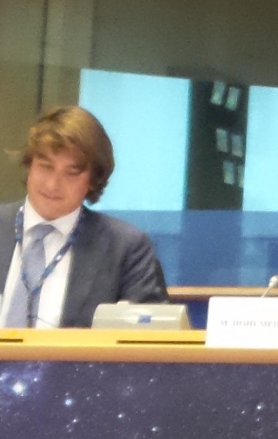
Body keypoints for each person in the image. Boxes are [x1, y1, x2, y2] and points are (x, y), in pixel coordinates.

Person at [2, 105, 168, 329]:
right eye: (45, 167)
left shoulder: (126, 248)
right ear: (29, 165)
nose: (52, 184)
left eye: (71, 173)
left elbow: (151, 337)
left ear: (92, 180)